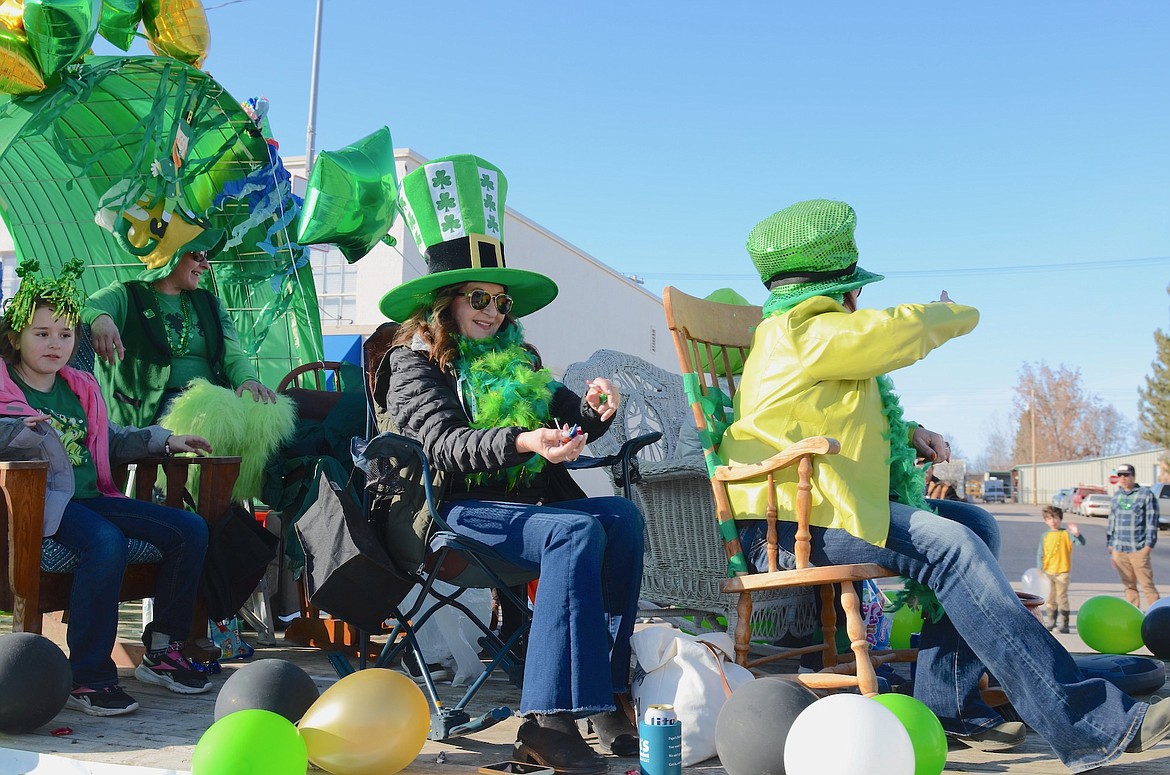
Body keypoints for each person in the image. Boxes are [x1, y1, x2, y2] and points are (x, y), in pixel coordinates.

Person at [718, 200, 1169, 772]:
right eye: (854, 291)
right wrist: (947, 312)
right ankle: (1085, 723)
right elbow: (891, 333)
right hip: (790, 526)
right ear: (840, 291)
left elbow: (822, 415)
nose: (859, 302)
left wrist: (911, 430)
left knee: (972, 523)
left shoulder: (805, 338)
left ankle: (948, 702)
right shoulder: (802, 329)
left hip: (831, 510)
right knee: (950, 547)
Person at [374, 154, 643, 775]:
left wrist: (596, 410)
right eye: (479, 298)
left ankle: (604, 694)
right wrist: (522, 441)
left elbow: (567, 423)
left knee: (621, 519)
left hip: (528, 513)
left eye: (500, 300)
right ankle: (546, 726)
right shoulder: (412, 362)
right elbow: (440, 444)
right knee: (576, 529)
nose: (494, 311)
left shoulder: (520, 360)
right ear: (444, 302)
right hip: (452, 515)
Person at [0, 259, 214, 716]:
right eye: (41, 334)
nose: (55, 344)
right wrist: (17, 431)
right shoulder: (4, 389)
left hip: (92, 497)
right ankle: (90, 676)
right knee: (105, 541)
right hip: (40, 506)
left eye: (64, 334)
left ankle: (162, 649)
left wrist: (163, 438)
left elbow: (110, 437)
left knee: (189, 529)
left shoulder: (79, 386)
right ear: (15, 338)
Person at [82, 213, 277, 428]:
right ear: (172, 253)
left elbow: (232, 355)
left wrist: (249, 381)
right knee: (212, 418)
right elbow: (81, 307)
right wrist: (100, 318)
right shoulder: (126, 295)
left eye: (206, 256)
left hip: (212, 403)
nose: (206, 265)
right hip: (152, 411)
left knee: (269, 417)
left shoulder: (210, 303)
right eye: (198, 254)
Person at [1107, 463, 1160, 609]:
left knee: (1147, 586)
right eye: (1120, 475)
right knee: (1129, 586)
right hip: (1120, 549)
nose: (1123, 478)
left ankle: (1157, 618)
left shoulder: (1145, 494)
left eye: (1126, 475)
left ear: (1133, 476)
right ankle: (1135, 616)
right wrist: (1110, 545)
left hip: (1138, 548)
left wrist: (1148, 546)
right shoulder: (1117, 496)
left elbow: (1152, 522)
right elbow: (1112, 521)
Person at [1037, 505, 1085, 632]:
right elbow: (1040, 553)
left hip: (1062, 571)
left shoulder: (1066, 534)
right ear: (1045, 521)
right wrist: (1040, 568)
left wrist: (1077, 534)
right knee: (1050, 598)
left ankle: (1064, 624)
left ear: (1060, 519)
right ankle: (1051, 621)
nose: (1053, 521)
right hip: (1048, 571)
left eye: (1055, 518)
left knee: (1061, 597)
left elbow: (1080, 542)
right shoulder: (1045, 536)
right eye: (1049, 519)